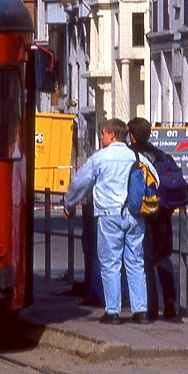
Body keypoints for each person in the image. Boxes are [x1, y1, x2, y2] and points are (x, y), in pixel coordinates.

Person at [63, 117, 149, 324]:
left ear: (111, 135)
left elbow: (80, 182)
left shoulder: (100, 158)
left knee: (110, 263)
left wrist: (69, 204)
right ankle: (141, 311)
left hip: (109, 215)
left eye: (102, 133)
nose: (101, 137)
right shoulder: (137, 156)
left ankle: (112, 312)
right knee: (136, 262)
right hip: (135, 216)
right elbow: (153, 178)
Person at [128, 116, 178, 321]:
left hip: (145, 214)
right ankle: (170, 299)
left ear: (131, 136)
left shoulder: (132, 156)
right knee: (163, 258)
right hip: (163, 215)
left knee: (145, 261)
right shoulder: (163, 155)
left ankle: (150, 306)